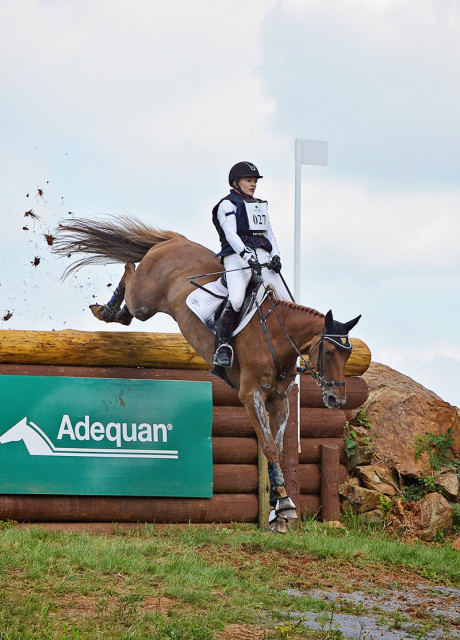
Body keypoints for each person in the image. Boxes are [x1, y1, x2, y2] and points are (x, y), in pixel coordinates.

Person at [211, 161, 291, 368]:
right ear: (236, 182)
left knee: (289, 301)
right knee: (237, 299)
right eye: (249, 180)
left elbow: (270, 234)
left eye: (255, 181)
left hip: (263, 257)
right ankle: (222, 346)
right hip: (237, 258)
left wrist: (276, 256)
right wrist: (247, 257)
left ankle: (289, 353)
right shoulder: (227, 205)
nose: (253, 184)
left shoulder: (259, 205)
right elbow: (231, 234)